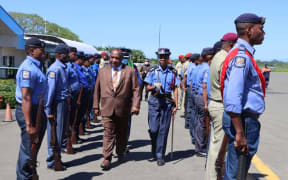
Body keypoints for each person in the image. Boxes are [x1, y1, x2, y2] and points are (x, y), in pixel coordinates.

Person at [221, 13, 266, 180]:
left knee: (236, 169)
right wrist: (239, 132)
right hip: (243, 121)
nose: (263, 33)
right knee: (236, 173)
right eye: (260, 29)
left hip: (243, 120)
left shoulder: (242, 54)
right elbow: (233, 96)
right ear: (249, 30)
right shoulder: (242, 57)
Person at [93, 48, 141, 170]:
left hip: (124, 109)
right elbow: (97, 90)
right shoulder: (102, 71)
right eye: (112, 57)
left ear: (121, 59)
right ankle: (107, 158)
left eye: (117, 58)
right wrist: (95, 106)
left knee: (122, 133)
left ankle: (120, 151)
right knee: (108, 133)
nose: (114, 60)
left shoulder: (130, 71)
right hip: (107, 107)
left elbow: (136, 89)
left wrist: (136, 105)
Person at [205, 33, 238, 180]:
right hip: (220, 105)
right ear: (232, 44)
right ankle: (213, 176)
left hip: (215, 102)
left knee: (215, 143)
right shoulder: (225, 58)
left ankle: (213, 175)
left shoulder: (217, 57)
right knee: (218, 147)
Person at [15, 38, 47, 179]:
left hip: (37, 111)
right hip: (30, 112)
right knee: (29, 150)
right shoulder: (28, 68)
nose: (44, 52)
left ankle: (30, 175)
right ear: (32, 51)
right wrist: (29, 125)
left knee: (33, 149)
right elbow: (26, 97)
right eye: (41, 49)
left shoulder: (36, 66)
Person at [145, 48, 180, 166]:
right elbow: (147, 87)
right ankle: (154, 145)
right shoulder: (153, 71)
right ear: (158, 58)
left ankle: (160, 154)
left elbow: (175, 88)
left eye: (165, 56)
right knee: (154, 129)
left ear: (168, 57)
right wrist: (154, 87)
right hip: (154, 101)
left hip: (167, 102)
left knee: (163, 130)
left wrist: (176, 104)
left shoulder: (173, 72)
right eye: (160, 56)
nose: (162, 58)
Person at [45, 44, 70, 170]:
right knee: (55, 133)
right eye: (67, 54)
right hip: (57, 104)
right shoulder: (55, 69)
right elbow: (50, 91)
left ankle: (57, 158)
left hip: (63, 102)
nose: (69, 56)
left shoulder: (62, 68)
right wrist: (48, 109)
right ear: (60, 55)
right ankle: (52, 160)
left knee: (60, 133)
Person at [194, 48, 215, 157]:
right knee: (204, 123)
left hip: (197, 96)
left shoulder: (198, 67)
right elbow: (205, 86)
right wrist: (206, 103)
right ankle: (201, 147)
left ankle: (199, 145)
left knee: (199, 121)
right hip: (203, 97)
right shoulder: (207, 68)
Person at [62, 46, 80, 153]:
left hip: (74, 95)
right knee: (67, 122)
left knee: (71, 120)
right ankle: (65, 144)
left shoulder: (73, 66)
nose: (76, 56)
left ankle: (67, 143)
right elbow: (65, 83)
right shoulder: (66, 67)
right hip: (69, 96)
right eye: (74, 54)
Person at [185, 53, 200, 145]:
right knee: (194, 113)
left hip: (190, 88)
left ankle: (191, 130)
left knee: (190, 110)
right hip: (193, 89)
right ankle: (194, 135)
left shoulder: (190, 65)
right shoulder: (194, 67)